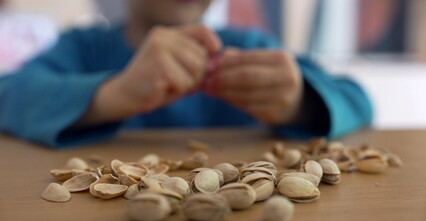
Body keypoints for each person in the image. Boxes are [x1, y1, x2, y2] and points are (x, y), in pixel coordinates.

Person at [0, 0, 373, 148]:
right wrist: (112, 94)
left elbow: (357, 99)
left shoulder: (250, 45)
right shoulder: (85, 48)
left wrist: (300, 103)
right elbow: (9, 95)